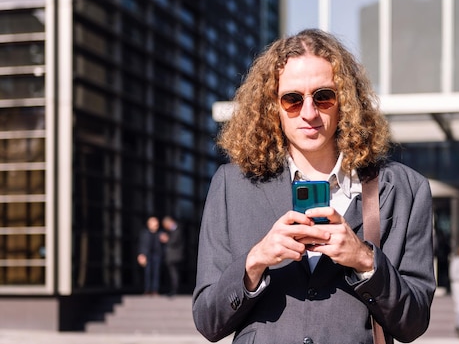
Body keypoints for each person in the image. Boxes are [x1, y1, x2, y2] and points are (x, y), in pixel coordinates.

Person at [192, 29, 436, 344]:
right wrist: (255, 261)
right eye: (292, 99)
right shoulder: (231, 185)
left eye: (323, 96)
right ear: (272, 106)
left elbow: (414, 323)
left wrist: (365, 261)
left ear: (345, 101)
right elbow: (208, 321)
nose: (309, 113)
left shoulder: (406, 189)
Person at [137, 216, 163, 295]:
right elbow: (142, 244)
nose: (156, 224)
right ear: (149, 224)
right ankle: (147, 289)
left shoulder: (160, 233)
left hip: (157, 255)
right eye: (154, 223)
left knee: (156, 273)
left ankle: (155, 289)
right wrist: (141, 254)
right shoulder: (144, 233)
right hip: (147, 255)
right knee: (147, 272)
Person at [160, 216, 184, 296]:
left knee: (174, 273)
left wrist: (166, 239)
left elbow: (174, 241)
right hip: (173, 256)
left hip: (174, 256)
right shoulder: (173, 230)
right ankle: (173, 289)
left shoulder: (176, 229)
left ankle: (175, 290)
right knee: (173, 273)